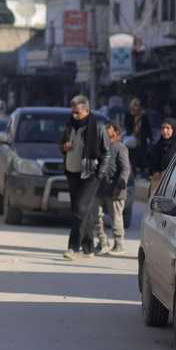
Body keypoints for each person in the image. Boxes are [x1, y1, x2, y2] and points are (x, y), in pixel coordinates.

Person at [60, 95, 111, 261]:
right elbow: (62, 144)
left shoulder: (97, 127)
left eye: (77, 113)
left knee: (80, 210)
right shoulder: (69, 126)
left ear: (87, 111)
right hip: (72, 172)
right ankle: (88, 248)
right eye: (73, 112)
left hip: (90, 175)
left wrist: (99, 174)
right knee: (84, 212)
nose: (74, 116)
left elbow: (107, 153)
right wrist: (64, 147)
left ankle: (72, 247)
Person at [94, 122, 131, 256]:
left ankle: (119, 244)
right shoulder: (101, 147)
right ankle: (102, 242)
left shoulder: (121, 148)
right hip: (100, 188)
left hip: (115, 189)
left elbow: (125, 169)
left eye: (109, 131)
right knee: (96, 216)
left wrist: (120, 185)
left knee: (116, 218)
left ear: (116, 133)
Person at [148, 118, 176, 196]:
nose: (164, 131)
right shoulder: (158, 145)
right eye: (163, 128)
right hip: (158, 181)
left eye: (168, 128)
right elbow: (152, 161)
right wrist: (155, 171)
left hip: (174, 183)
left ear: (173, 129)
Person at [125, 98, 151, 177]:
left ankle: (142, 171)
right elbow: (127, 126)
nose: (135, 108)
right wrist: (132, 133)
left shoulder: (143, 116)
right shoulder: (128, 115)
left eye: (137, 105)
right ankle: (134, 172)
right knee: (132, 156)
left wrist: (149, 137)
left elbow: (147, 128)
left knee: (142, 155)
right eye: (134, 105)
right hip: (132, 139)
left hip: (142, 139)